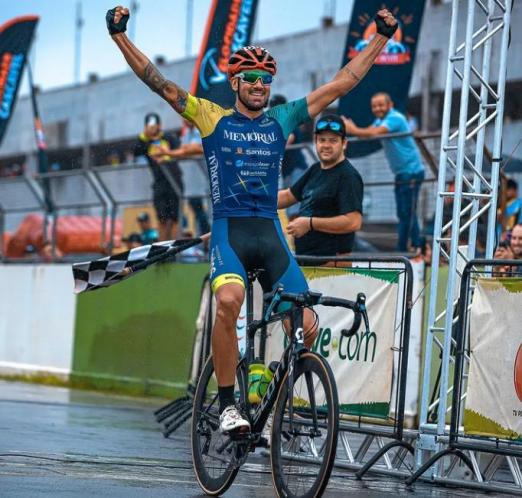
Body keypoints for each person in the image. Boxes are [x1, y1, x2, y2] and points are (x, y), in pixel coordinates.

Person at [107, 4, 398, 434]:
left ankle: (268, 388)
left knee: (309, 325)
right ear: (236, 82)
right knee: (228, 304)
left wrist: (381, 36)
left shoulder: (282, 119)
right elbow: (161, 85)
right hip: (230, 231)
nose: (260, 85)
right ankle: (227, 405)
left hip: (270, 233)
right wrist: (119, 37)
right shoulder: (211, 117)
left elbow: (342, 83)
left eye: (266, 80)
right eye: (252, 79)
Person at [343, 92, 425, 252]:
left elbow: (373, 133)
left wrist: (353, 129)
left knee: (407, 211)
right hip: (402, 173)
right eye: (374, 105)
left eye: (381, 104)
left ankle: (409, 246)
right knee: (404, 212)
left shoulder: (394, 118)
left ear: (390, 105)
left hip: (411, 171)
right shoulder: (381, 120)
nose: (377, 108)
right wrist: (355, 130)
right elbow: (369, 132)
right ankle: (409, 246)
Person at [277, 114, 363, 258]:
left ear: (344, 143)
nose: (326, 145)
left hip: (332, 265)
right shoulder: (315, 169)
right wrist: (251, 199)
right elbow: (287, 196)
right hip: (308, 260)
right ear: (315, 142)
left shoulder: (348, 175)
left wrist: (310, 223)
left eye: (333, 141)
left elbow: (353, 222)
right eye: (322, 140)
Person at [133, 112, 183, 241]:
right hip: (159, 182)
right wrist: (145, 136)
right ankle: (163, 250)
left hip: (174, 181)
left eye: (154, 125)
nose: (152, 128)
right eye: (149, 125)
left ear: (159, 125)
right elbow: (136, 151)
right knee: (162, 218)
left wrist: (166, 152)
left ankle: (174, 251)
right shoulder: (145, 142)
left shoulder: (168, 137)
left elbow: (179, 148)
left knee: (174, 217)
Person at [269, 94, 309, 220]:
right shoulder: (279, 125)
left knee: (295, 208)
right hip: (288, 171)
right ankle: (296, 238)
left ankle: (299, 237)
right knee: (291, 208)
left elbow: (287, 140)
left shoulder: (289, 122)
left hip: (297, 169)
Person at [178, 120, 211, 236]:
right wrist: (186, 149)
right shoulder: (186, 134)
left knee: (208, 218)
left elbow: (195, 149)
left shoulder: (202, 130)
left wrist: (185, 149)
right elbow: (183, 149)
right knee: (199, 218)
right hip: (191, 186)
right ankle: (205, 245)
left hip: (205, 184)